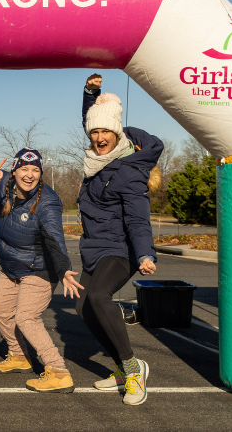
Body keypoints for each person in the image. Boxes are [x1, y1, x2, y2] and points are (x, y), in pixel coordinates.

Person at [75, 74, 163, 406]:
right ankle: (121, 367)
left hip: (122, 248)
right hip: (96, 247)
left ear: (117, 134)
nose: (99, 138)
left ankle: (133, 371)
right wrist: (91, 93)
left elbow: (138, 219)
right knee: (82, 308)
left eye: (105, 132)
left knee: (99, 296)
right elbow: (89, 118)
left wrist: (144, 254)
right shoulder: (95, 162)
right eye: (94, 132)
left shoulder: (128, 171)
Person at [0, 146, 82, 393]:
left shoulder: (47, 202)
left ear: (41, 173)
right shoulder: (2, 181)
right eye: (24, 168)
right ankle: (19, 355)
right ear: (14, 171)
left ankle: (58, 371)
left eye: (35, 170)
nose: (29, 174)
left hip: (39, 268)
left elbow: (55, 239)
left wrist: (64, 269)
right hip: (11, 265)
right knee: (0, 313)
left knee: (26, 317)